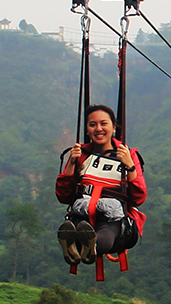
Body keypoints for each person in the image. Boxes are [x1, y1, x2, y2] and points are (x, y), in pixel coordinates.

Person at [55, 104, 147, 264]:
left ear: (113, 128)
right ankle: (75, 247)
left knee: (105, 236)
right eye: (93, 124)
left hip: (113, 216)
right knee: (76, 227)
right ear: (87, 130)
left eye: (103, 124)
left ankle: (90, 248)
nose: (98, 129)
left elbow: (138, 198)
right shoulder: (80, 154)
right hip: (82, 211)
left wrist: (129, 166)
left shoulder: (128, 154)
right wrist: (71, 164)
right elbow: (63, 196)